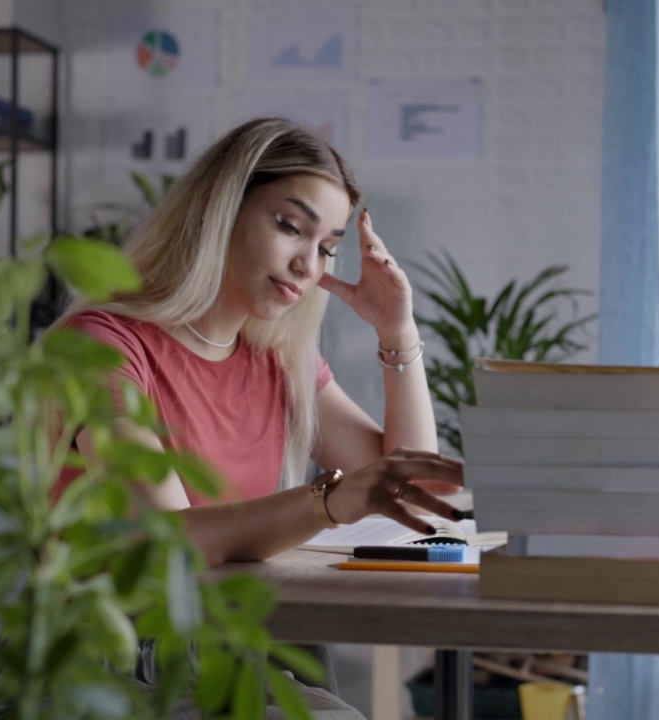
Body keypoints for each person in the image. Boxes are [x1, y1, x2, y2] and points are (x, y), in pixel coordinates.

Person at [56, 117, 464, 719]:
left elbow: (415, 490)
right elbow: (172, 545)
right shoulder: (103, 345)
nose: (309, 265)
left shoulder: (274, 357)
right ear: (218, 210)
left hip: (231, 653)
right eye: (289, 227)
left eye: (326, 247)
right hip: (104, 665)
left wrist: (397, 332)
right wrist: (326, 502)